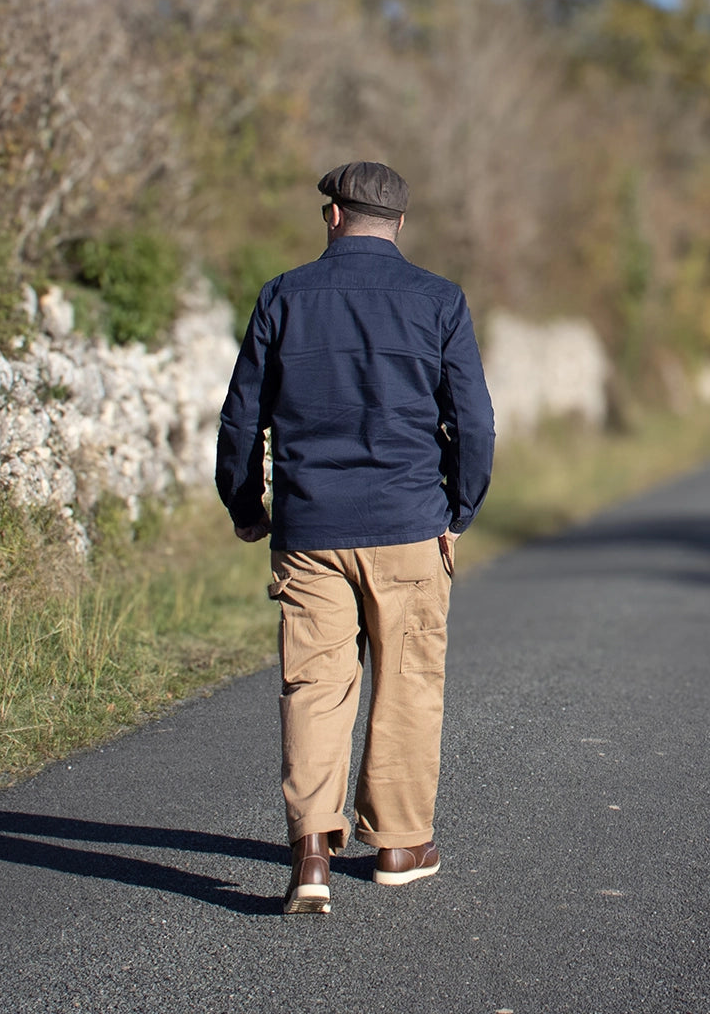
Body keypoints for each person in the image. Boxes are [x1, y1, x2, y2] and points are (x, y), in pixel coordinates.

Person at [215, 161, 495, 915]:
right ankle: (399, 846)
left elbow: (242, 417)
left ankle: (311, 850)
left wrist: (246, 504)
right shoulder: (439, 300)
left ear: (333, 216)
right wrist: (459, 510)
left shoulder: (282, 296)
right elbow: (474, 420)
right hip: (408, 527)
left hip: (310, 530)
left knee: (315, 686)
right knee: (407, 682)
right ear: (399, 224)